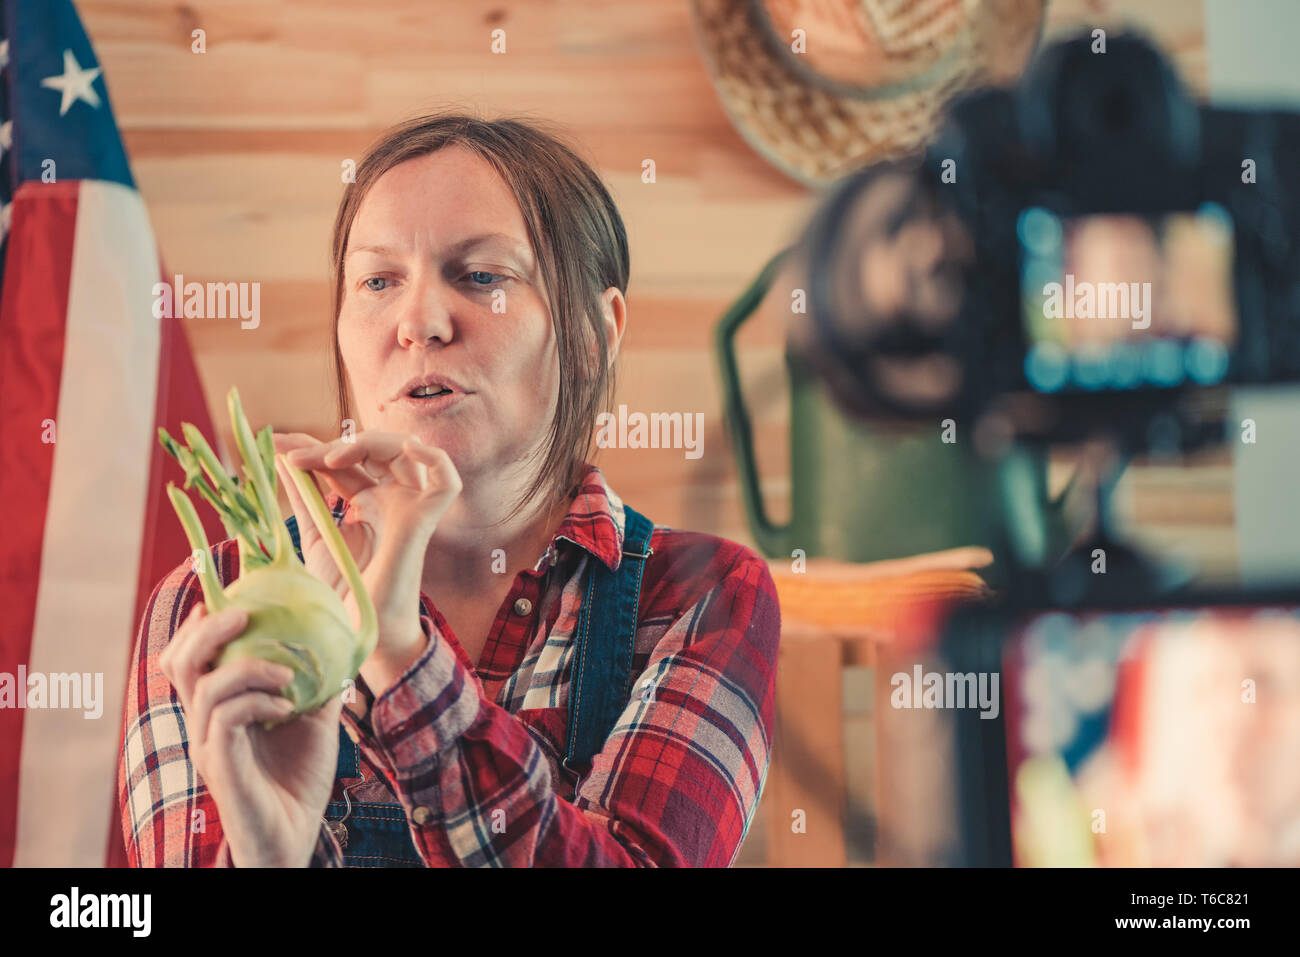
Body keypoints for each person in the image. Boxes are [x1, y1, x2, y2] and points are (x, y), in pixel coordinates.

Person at [117, 112, 781, 867]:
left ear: (594, 335)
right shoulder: (208, 605)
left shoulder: (704, 595)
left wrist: (398, 652)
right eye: (378, 281)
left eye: (482, 276)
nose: (419, 322)